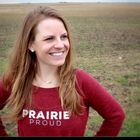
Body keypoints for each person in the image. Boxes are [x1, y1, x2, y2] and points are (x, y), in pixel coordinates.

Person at [0, 6, 125, 137]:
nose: (60, 45)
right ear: (30, 44)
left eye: (64, 37)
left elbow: (116, 115)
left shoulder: (80, 81)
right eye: (49, 38)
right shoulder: (16, 79)